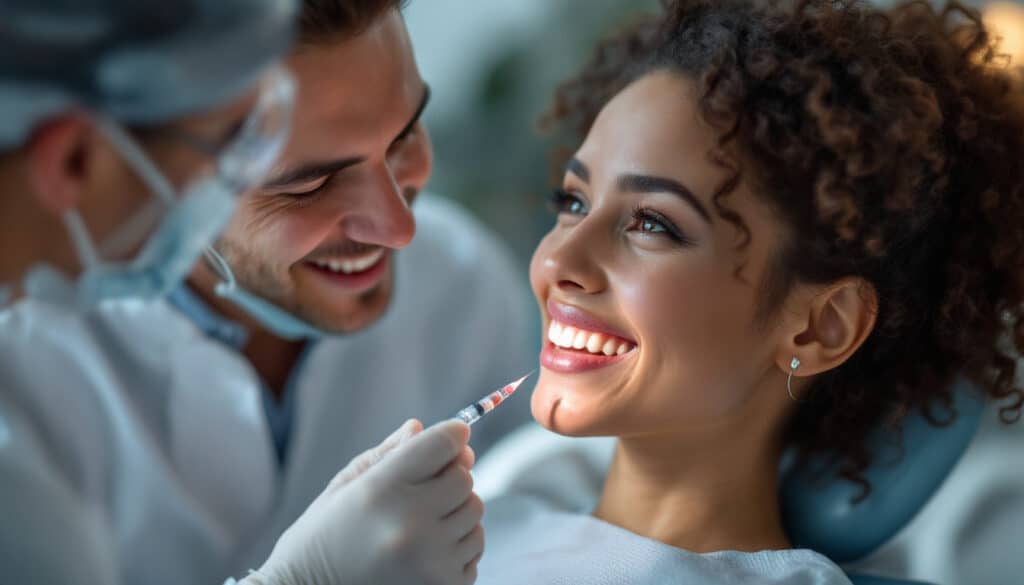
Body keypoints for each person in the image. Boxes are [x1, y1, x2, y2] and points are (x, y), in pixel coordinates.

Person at [473, 0, 1024, 583]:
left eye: (652, 224)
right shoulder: (502, 504)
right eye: (573, 202)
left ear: (820, 327)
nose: (558, 258)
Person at [0, 0, 533, 583]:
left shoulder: (462, 282)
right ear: (182, 172)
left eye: (405, 136)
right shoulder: (23, 367)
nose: (398, 228)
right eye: (310, 185)